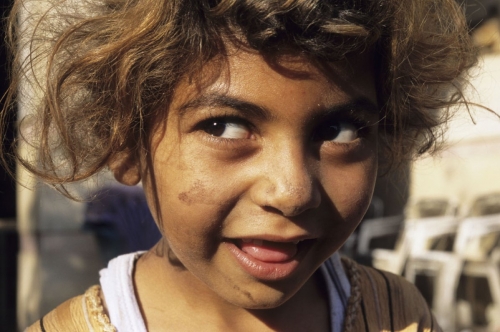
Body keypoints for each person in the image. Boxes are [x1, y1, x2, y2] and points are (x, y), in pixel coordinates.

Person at [1, 0, 477, 331]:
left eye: (340, 131)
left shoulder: (393, 313)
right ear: (127, 142)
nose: (292, 191)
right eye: (225, 127)